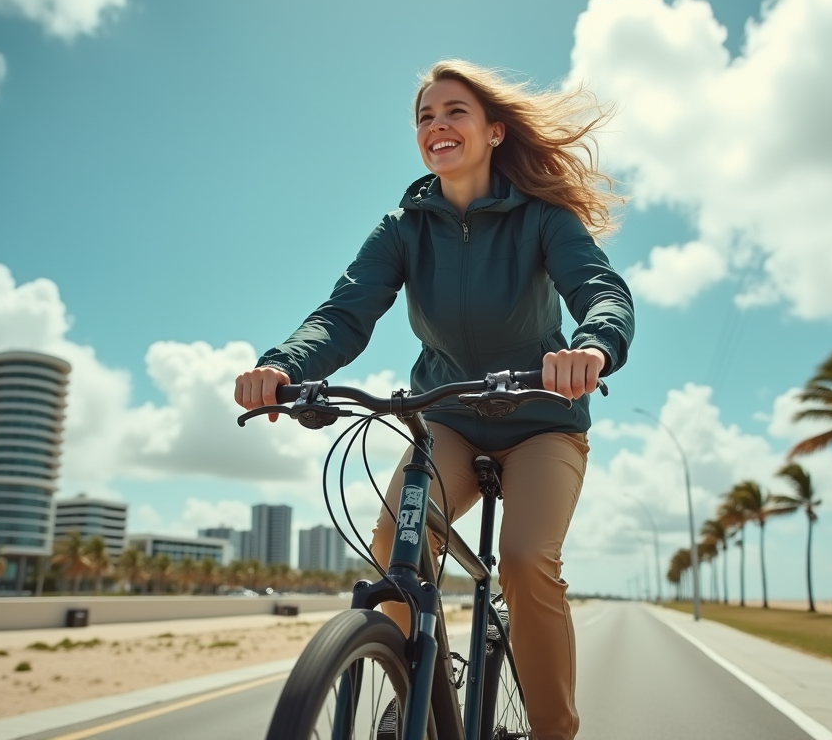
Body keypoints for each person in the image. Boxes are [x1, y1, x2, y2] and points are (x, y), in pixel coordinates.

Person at [234, 59, 634, 740]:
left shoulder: (543, 219)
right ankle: (409, 677)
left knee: (527, 560)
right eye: (425, 116)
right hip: (447, 418)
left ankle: (555, 732)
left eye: (454, 112)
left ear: (494, 132)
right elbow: (344, 313)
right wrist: (282, 364)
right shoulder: (403, 228)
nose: (437, 126)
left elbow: (601, 289)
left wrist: (591, 349)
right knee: (396, 539)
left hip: (542, 421)